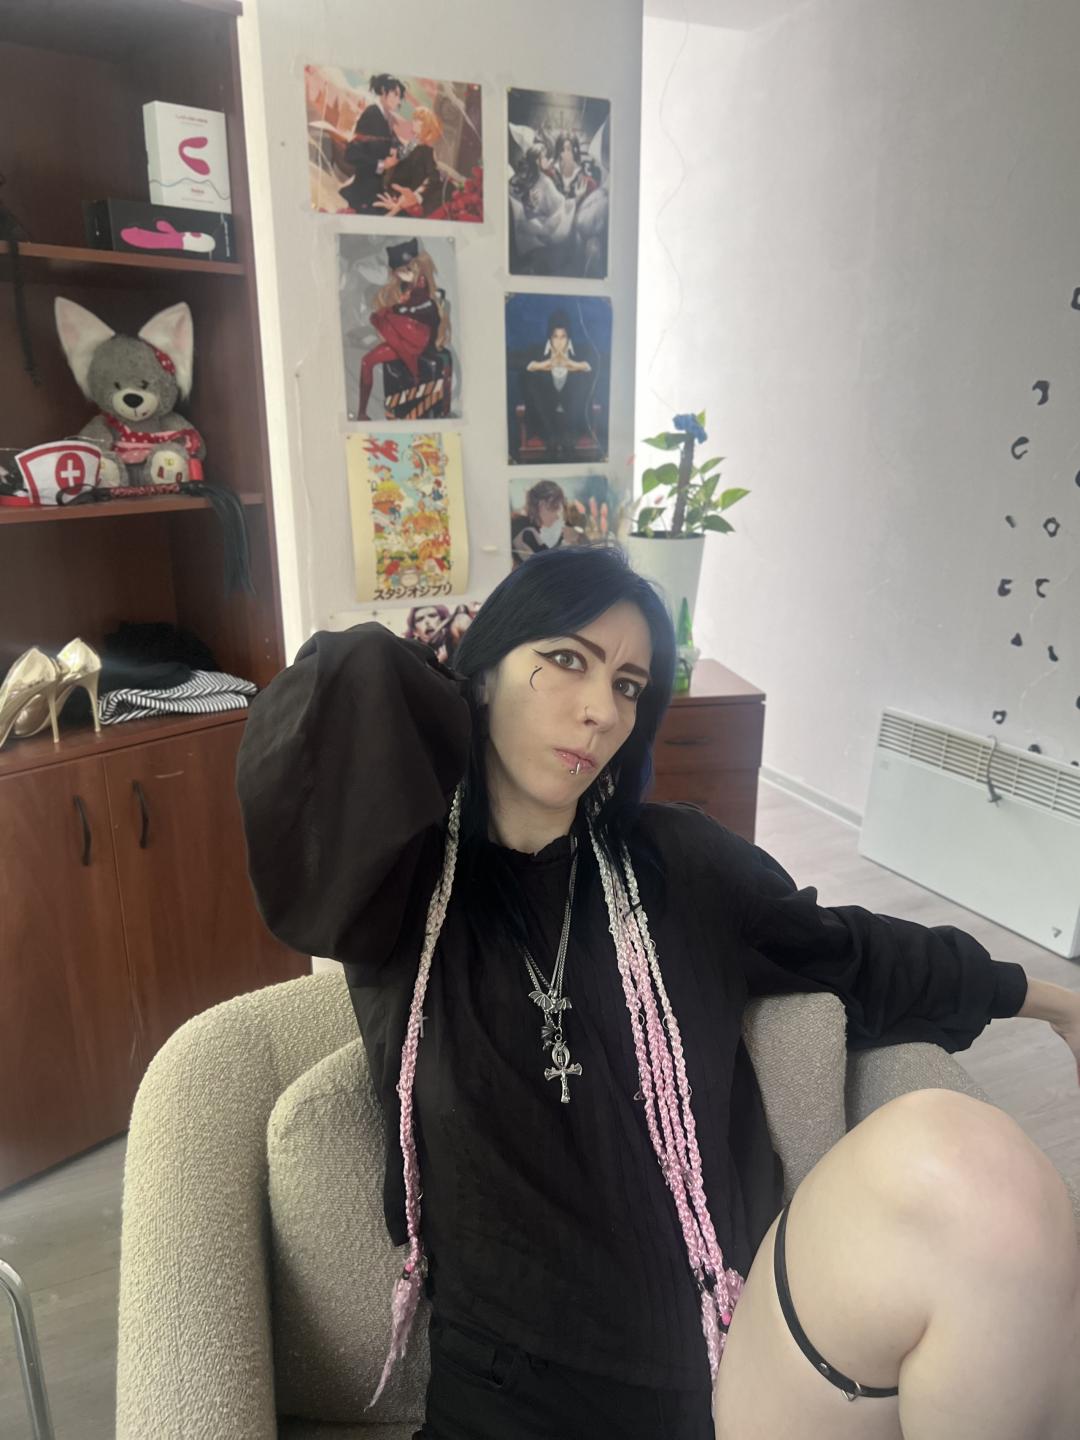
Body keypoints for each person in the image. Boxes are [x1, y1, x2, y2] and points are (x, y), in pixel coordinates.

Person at [236, 547, 1080, 1440]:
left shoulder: (680, 864)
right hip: (502, 1399)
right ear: (482, 674)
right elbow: (346, 687)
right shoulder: (400, 890)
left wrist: (1056, 1003)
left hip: (727, 1371)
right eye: (566, 660)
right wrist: (458, 692)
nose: (601, 711)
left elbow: (859, 954)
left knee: (975, 1162)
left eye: (629, 685)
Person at [357, 238, 450, 421]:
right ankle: (362, 412)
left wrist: (397, 311)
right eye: (401, 271)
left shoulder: (425, 288)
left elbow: (426, 310)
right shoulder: (400, 289)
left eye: (410, 269)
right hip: (401, 340)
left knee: (385, 317)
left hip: (420, 339)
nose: (406, 274)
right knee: (367, 361)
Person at [521, 309, 594, 460]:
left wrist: (574, 364)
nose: (559, 341)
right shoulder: (536, 351)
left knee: (583, 377)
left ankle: (568, 443)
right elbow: (520, 364)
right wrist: (543, 364)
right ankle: (552, 440)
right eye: (555, 336)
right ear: (550, 337)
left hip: (572, 419)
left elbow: (596, 366)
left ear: (568, 337)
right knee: (531, 379)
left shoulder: (582, 351)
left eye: (563, 336)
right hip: (546, 419)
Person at [340, 74, 406, 214]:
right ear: (383, 91)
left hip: (375, 190)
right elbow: (351, 154)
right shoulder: (372, 114)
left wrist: (397, 150)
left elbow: (395, 145)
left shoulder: (385, 118)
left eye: (400, 97)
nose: (398, 101)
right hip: (364, 192)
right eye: (395, 94)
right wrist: (382, 164)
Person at [511, 479, 586, 564]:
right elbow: (548, 564)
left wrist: (562, 541)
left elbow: (545, 555)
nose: (557, 516)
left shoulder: (523, 526)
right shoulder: (527, 532)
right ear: (542, 505)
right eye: (555, 507)